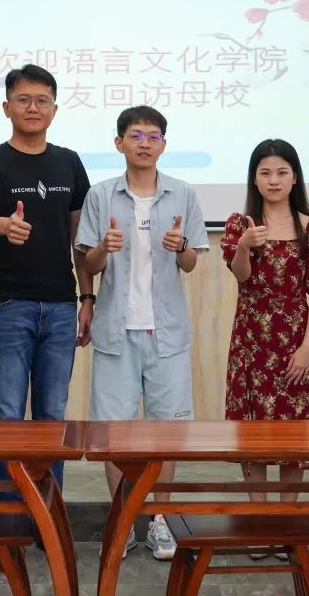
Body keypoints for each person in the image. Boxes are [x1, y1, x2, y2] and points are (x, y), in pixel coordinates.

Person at [74, 105, 208, 561]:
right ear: (119, 143)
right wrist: (103, 248)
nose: (145, 143)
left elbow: (191, 262)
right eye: (136, 135)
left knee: (167, 432)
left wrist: (181, 246)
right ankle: (122, 519)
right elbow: (88, 263)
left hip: (166, 334)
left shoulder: (183, 194)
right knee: (112, 433)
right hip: (116, 330)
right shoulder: (100, 195)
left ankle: (161, 520)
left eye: (153, 136)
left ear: (164, 145)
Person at [0, 64, 93, 498]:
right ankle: (8, 514)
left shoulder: (69, 163)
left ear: (54, 109)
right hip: (8, 304)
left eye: (42, 100)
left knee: (52, 415)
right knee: (7, 412)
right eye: (23, 100)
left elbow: (81, 240)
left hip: (60, 305)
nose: (33, 108)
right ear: (7, 107)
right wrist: (4, 225)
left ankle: (47, 511)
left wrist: (88, 296)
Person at [220, 139, 309, 559]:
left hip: (294, 344)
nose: (274, 180)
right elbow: (241, 276)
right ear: (254, 178)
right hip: (251, 344)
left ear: (294, 177)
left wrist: (307, 346)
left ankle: (285, 522)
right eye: (265, 172)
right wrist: (245, 244)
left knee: (292, 437)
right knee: (253, 437)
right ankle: (259, 521)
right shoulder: (240, 223)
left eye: (282, 172)